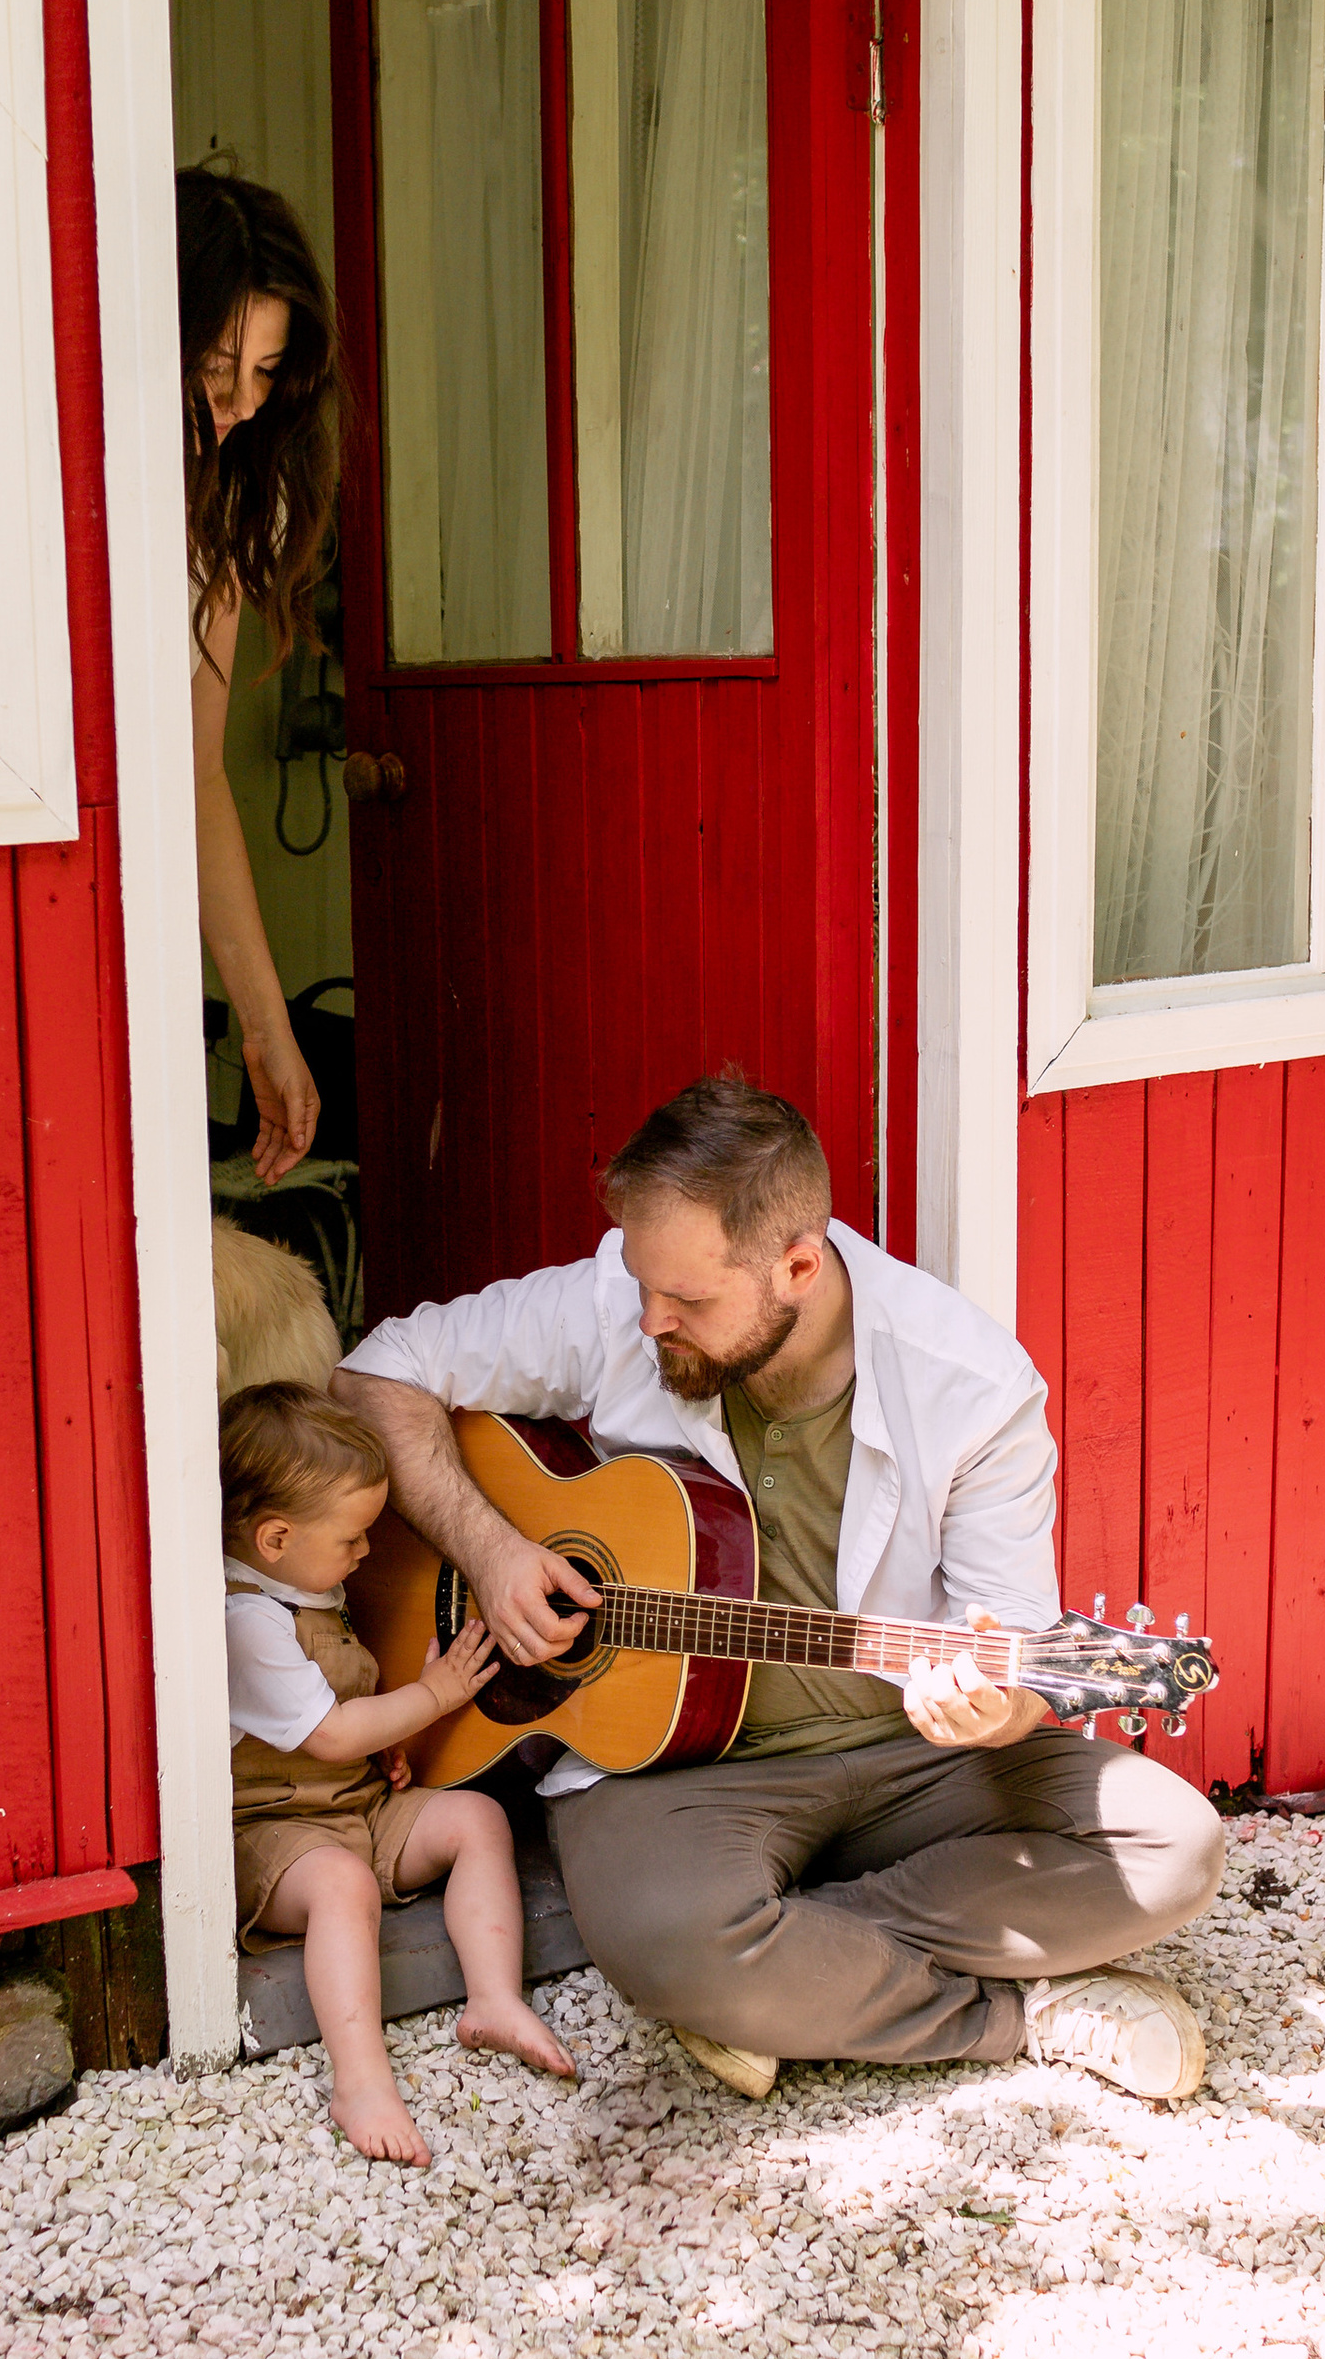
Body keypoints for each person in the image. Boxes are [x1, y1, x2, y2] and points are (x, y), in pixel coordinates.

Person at [331, 1076, 1225, 2105]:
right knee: (668, 1943)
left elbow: (1014, 1643)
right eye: (641, 1282)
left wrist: (996, 1705)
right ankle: (1022, 2014)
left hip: (905, 1755)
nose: (652, 1320)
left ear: (799, 1265)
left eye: (690, 1301)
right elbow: (376, 1375)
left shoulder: (972, 1386)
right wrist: (488, 1549)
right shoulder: (617, 1307)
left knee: (1175, 1848)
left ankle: (787, 1965)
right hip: (671, 1772)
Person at [221, 1384, 578, 2166]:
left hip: (356, 1805)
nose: (367, 1552)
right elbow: (329, 1731)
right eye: (352, 1538)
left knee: (478, 1821)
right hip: (275, 1836)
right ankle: (361, 2080)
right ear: (274, 1538)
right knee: (344, 1885)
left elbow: (343, 1717)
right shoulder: (248, 1620)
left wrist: (389, 1743)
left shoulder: (312, 1588)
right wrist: (435, 1696)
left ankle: (494, 1998)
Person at [181, 166, 342, 1187]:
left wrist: (268, 1027)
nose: (241, 406)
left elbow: (193, 775)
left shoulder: (231, 507)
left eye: (268, 375)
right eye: (213, 369)